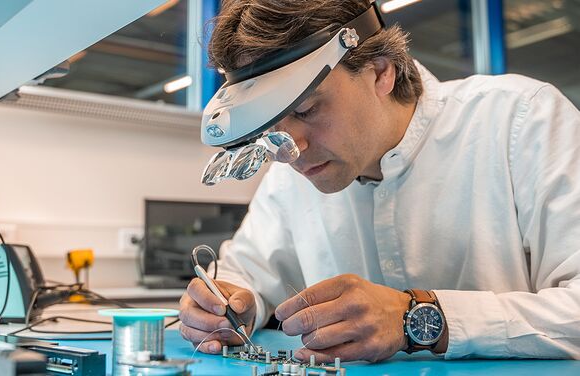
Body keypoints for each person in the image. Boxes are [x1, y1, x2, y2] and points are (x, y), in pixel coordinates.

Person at [178, 0, 580, 362]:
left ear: (380, 72)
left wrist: (419, 318)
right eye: (270, 129)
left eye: (306, 110)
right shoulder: (289, 178)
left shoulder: (523, 121)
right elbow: (245, 276)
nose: (289, 149)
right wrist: (228, 307)